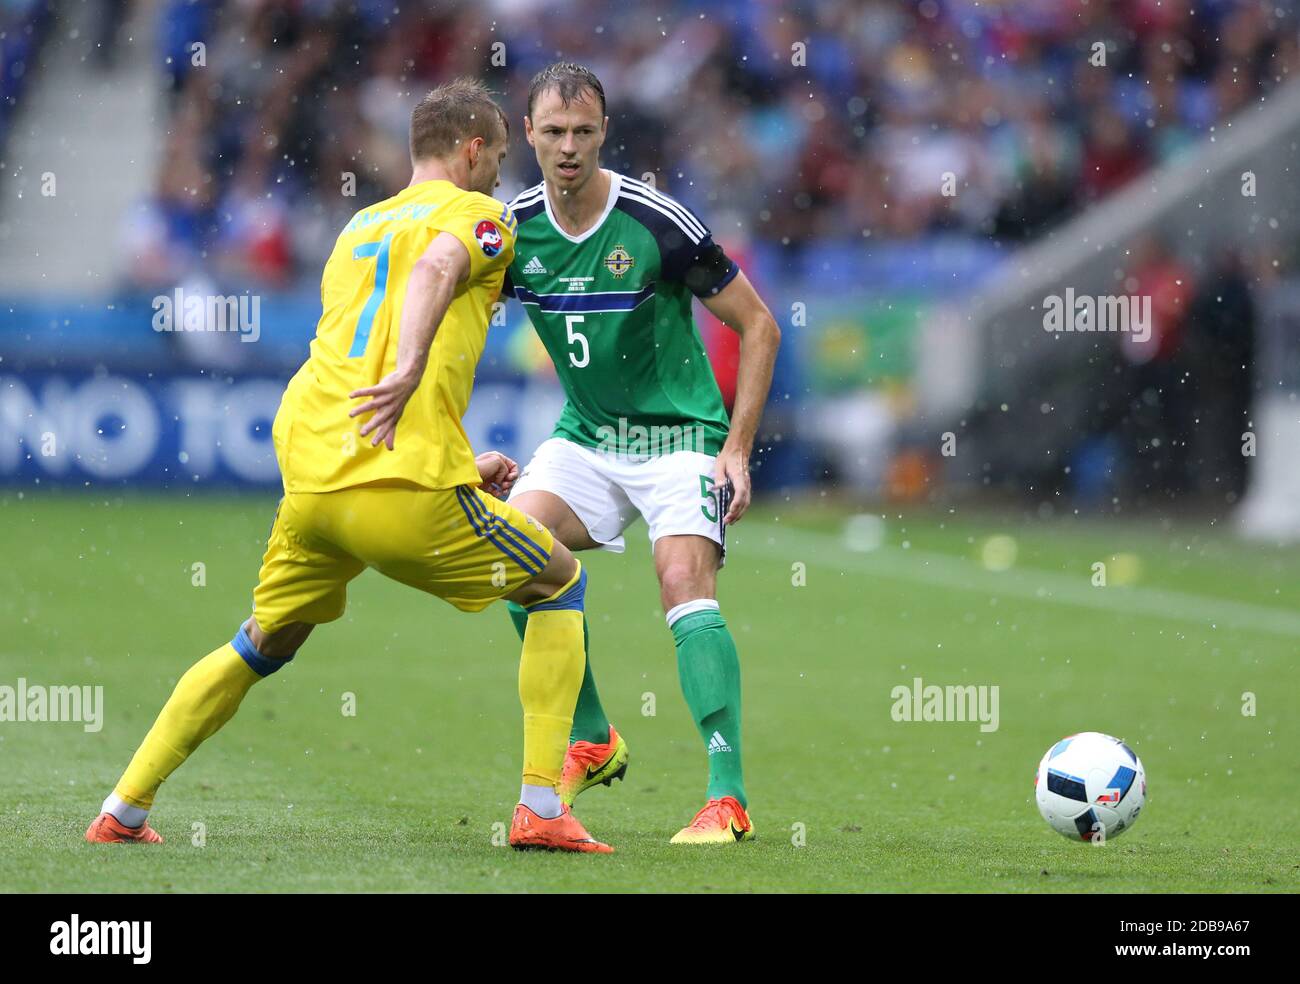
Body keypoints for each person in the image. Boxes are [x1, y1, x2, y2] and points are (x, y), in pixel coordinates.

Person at [85, 78, 611, 854]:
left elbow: (354, 350)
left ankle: (123, 808)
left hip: (314, 481)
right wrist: (409, 374)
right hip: (401, 488)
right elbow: (436, 269)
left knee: (262, 640)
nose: (505, 172)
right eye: (501, 155)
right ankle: (539, 806)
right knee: (558, 580)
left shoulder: (359, 228)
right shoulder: (481, 217)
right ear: (471, 152)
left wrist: (459, 456)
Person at [501, 63, 782, 844]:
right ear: (527, 134)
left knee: (683, 582)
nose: (567, 148)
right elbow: (452, 309)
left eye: (582, 132)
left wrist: (737, 450)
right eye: (552, 132)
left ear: (604, 132)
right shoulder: (514, 230)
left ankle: (727, 797)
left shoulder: (656, 222)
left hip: (678, 439)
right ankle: (591, 736)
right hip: (587, 437)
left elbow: (759, 326)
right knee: (510, 555)